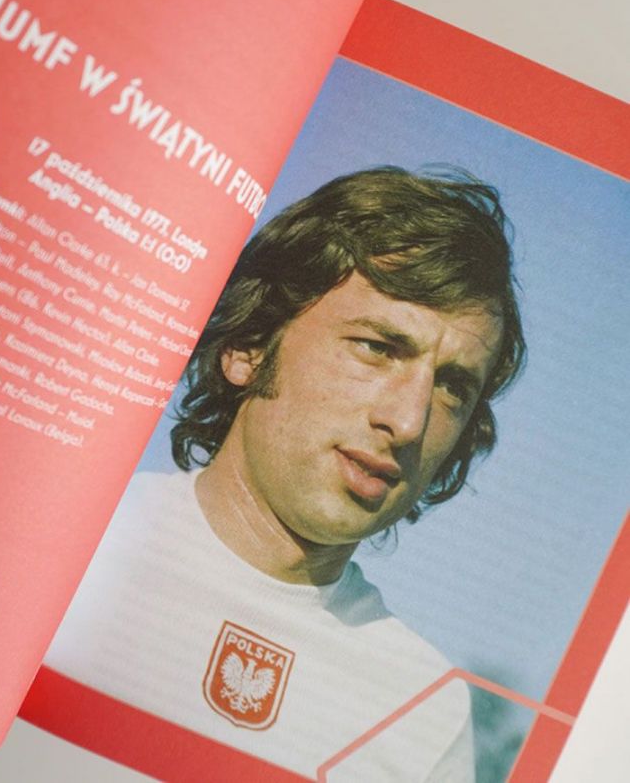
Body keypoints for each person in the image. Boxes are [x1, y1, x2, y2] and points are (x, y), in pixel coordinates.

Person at [44, 167, 526, 781]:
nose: (408, 421)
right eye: (377, 348)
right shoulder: (62, 546)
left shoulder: (424, 712)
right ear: (248, 345)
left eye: (452, 387)